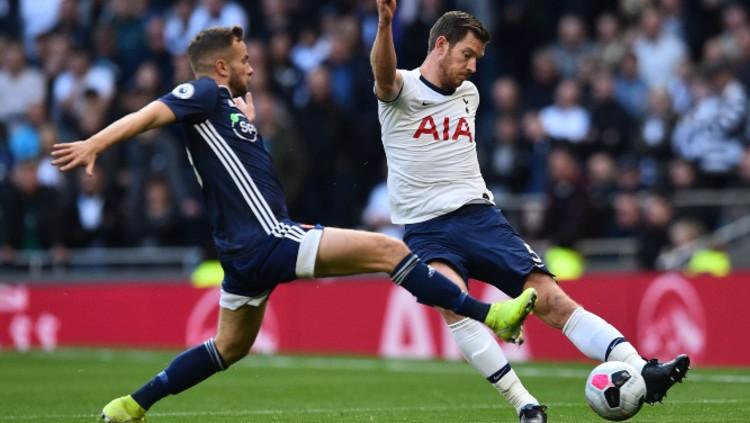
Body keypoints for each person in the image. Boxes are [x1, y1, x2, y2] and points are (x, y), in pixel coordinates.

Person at [51, 26, 538, 423]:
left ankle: (131, 405)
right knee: (391, 252)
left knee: (229, 347)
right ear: (221, 67)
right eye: (243, 60)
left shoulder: (225, 112)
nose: (251, 67)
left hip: (241, 253)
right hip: (268, 235)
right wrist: (95, 143)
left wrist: (248, 125)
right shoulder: (201, 93)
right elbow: (148, 113)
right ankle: (489, 315)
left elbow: (236, 168)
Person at [370, 2, 690, 422]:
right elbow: (382, 73)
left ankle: (643, 369)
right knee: (455, 306)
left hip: (480, 218)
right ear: (441, 45)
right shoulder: (401, 89)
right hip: (426, 230)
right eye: (467, 55)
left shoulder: (469, 95)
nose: (472, 67)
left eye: (478, 59)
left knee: (551, 298)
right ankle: (526, 405)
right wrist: (386, 23)